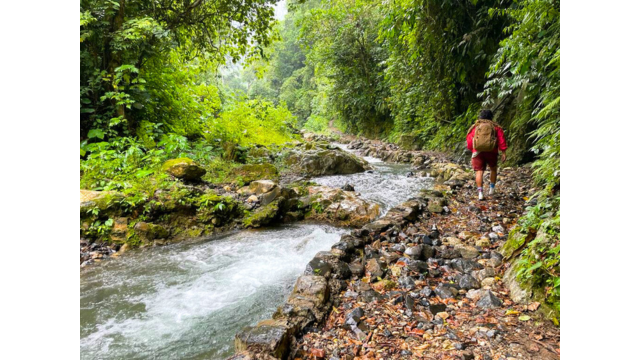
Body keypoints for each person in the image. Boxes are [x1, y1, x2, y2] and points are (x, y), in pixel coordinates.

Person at [466, 109, 507, 200]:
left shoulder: (475, 127)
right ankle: (491, 189)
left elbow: (469, 141)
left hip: (477, 152)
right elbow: (501, 140)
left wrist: (472, 149)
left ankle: (480, 193)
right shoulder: (496, 127)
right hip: (492, 152)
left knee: (479, 171)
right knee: (493, 169)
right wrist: (503, 152)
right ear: (491, 117)